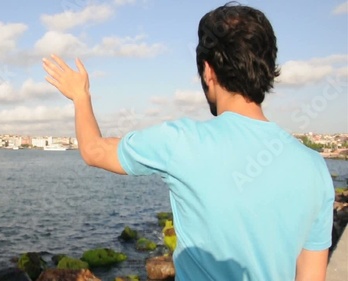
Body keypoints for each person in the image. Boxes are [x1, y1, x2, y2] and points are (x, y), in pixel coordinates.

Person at [42, 3, 333, 281]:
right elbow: (311, 275)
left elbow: (94, 151)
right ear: (268, 67)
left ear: (208, 71)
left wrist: (80, 96)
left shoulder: (181, 141)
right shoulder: (314, 167)